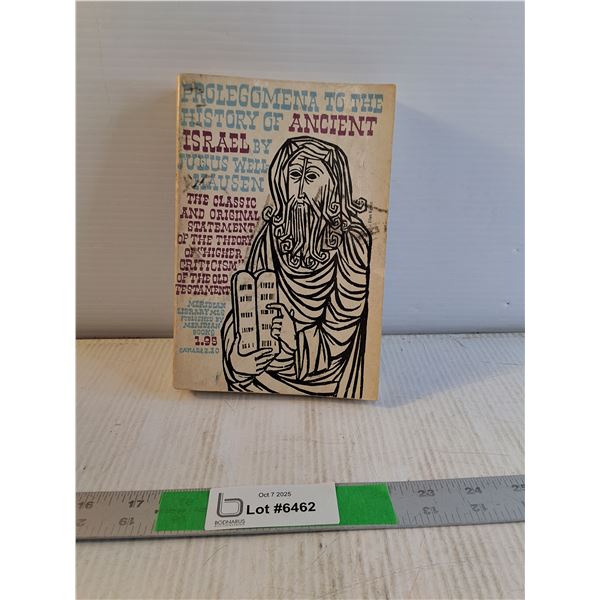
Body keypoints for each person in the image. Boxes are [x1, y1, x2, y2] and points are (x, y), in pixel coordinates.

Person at [221, 136, 371, 398]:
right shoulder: (273, 233)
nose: (300, 188)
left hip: (319, 376)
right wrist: (237, 357)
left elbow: (342, 330)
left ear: (334, 186)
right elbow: (246, 304)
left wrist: (295, 343)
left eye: (311, 176)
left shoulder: (352, 240)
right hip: (264, 366)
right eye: (294, 175)